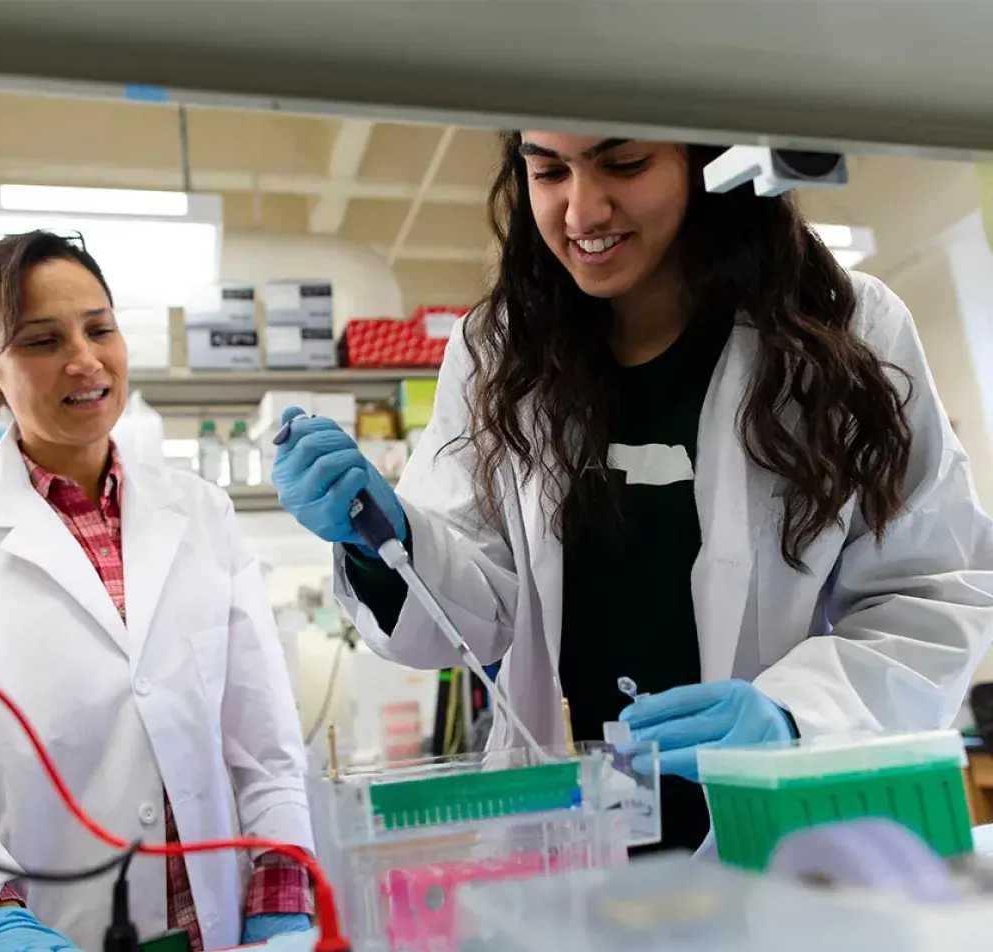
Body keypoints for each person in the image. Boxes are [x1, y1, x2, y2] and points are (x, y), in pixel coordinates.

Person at [273, 133, 993, 853]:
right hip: (568, 842)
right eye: (549, 171)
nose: (582, 209)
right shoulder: (498, 349)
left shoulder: (846, 328)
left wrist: (796, 712)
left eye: (625, 164)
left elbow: (933, 588)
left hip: (788, 830)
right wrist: (380, 537)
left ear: (705, 160)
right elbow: (471, 614)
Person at [0, 231, 314, 952]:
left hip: (219, 933)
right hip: (48, 932)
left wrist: (281, 887)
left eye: (99, 329)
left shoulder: (203, 515)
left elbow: (264, 746)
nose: (84, 361)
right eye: (43, 340)